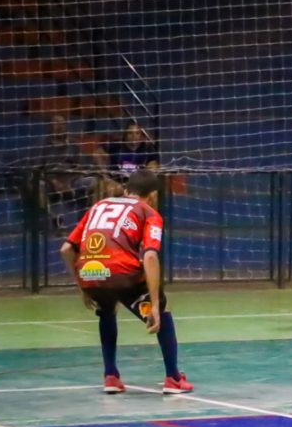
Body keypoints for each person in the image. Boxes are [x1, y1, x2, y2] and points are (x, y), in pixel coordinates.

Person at [60, 169, 193, 394]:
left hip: (91, 272)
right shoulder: (148, 212)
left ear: (127, 189)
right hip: (121, 273)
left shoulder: (98, 206)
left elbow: (66, 249)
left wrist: (83, 288)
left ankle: (110, 376)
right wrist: (155, 306)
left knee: (107, 307)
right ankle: (173, 378)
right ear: (152, 196)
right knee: (163, 309)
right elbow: (150, 256)